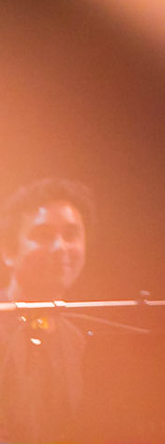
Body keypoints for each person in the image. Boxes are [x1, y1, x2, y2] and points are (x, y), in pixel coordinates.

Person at [1, 179, 92, 443]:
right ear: (7, 251)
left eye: (71, 235)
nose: (61, 247)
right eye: (43, 235)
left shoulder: (76, 340)